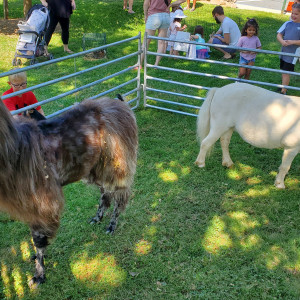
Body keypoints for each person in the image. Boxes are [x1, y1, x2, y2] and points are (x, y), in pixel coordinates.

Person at [140, 0, 186, 68]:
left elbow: (146, 3)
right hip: (166, 16)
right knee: (161, 42)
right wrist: (171, 5)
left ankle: (140, 64)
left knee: (146, 41)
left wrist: (145, 14)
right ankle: (156, 64)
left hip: (154, 15)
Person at [277, 3, 300, 95]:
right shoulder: (287, 23)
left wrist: (293, 42)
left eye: (296, 14)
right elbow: (279, 34)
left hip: (293, 54)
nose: (293, 16)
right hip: (284, 52)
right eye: (292, 13)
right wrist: (282, 41)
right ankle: (283, 86)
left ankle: (283, 92)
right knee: (283, 71)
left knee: (286, 72)